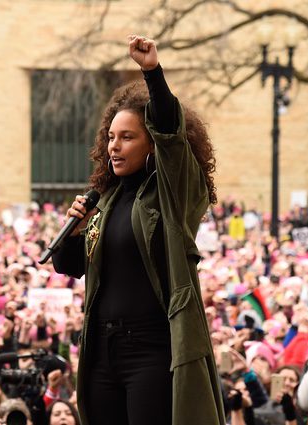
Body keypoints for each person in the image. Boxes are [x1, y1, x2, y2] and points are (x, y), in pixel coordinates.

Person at [51, 34, 224, 425]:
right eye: (111, 137)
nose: (115, 146)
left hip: (152, 350)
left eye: (128, 137)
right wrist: (75, 231)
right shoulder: (105, 200)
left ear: (152, 145)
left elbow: (172, 138)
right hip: (101, 351)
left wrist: (152, 73)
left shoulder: (170, 196)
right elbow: (70, 265)